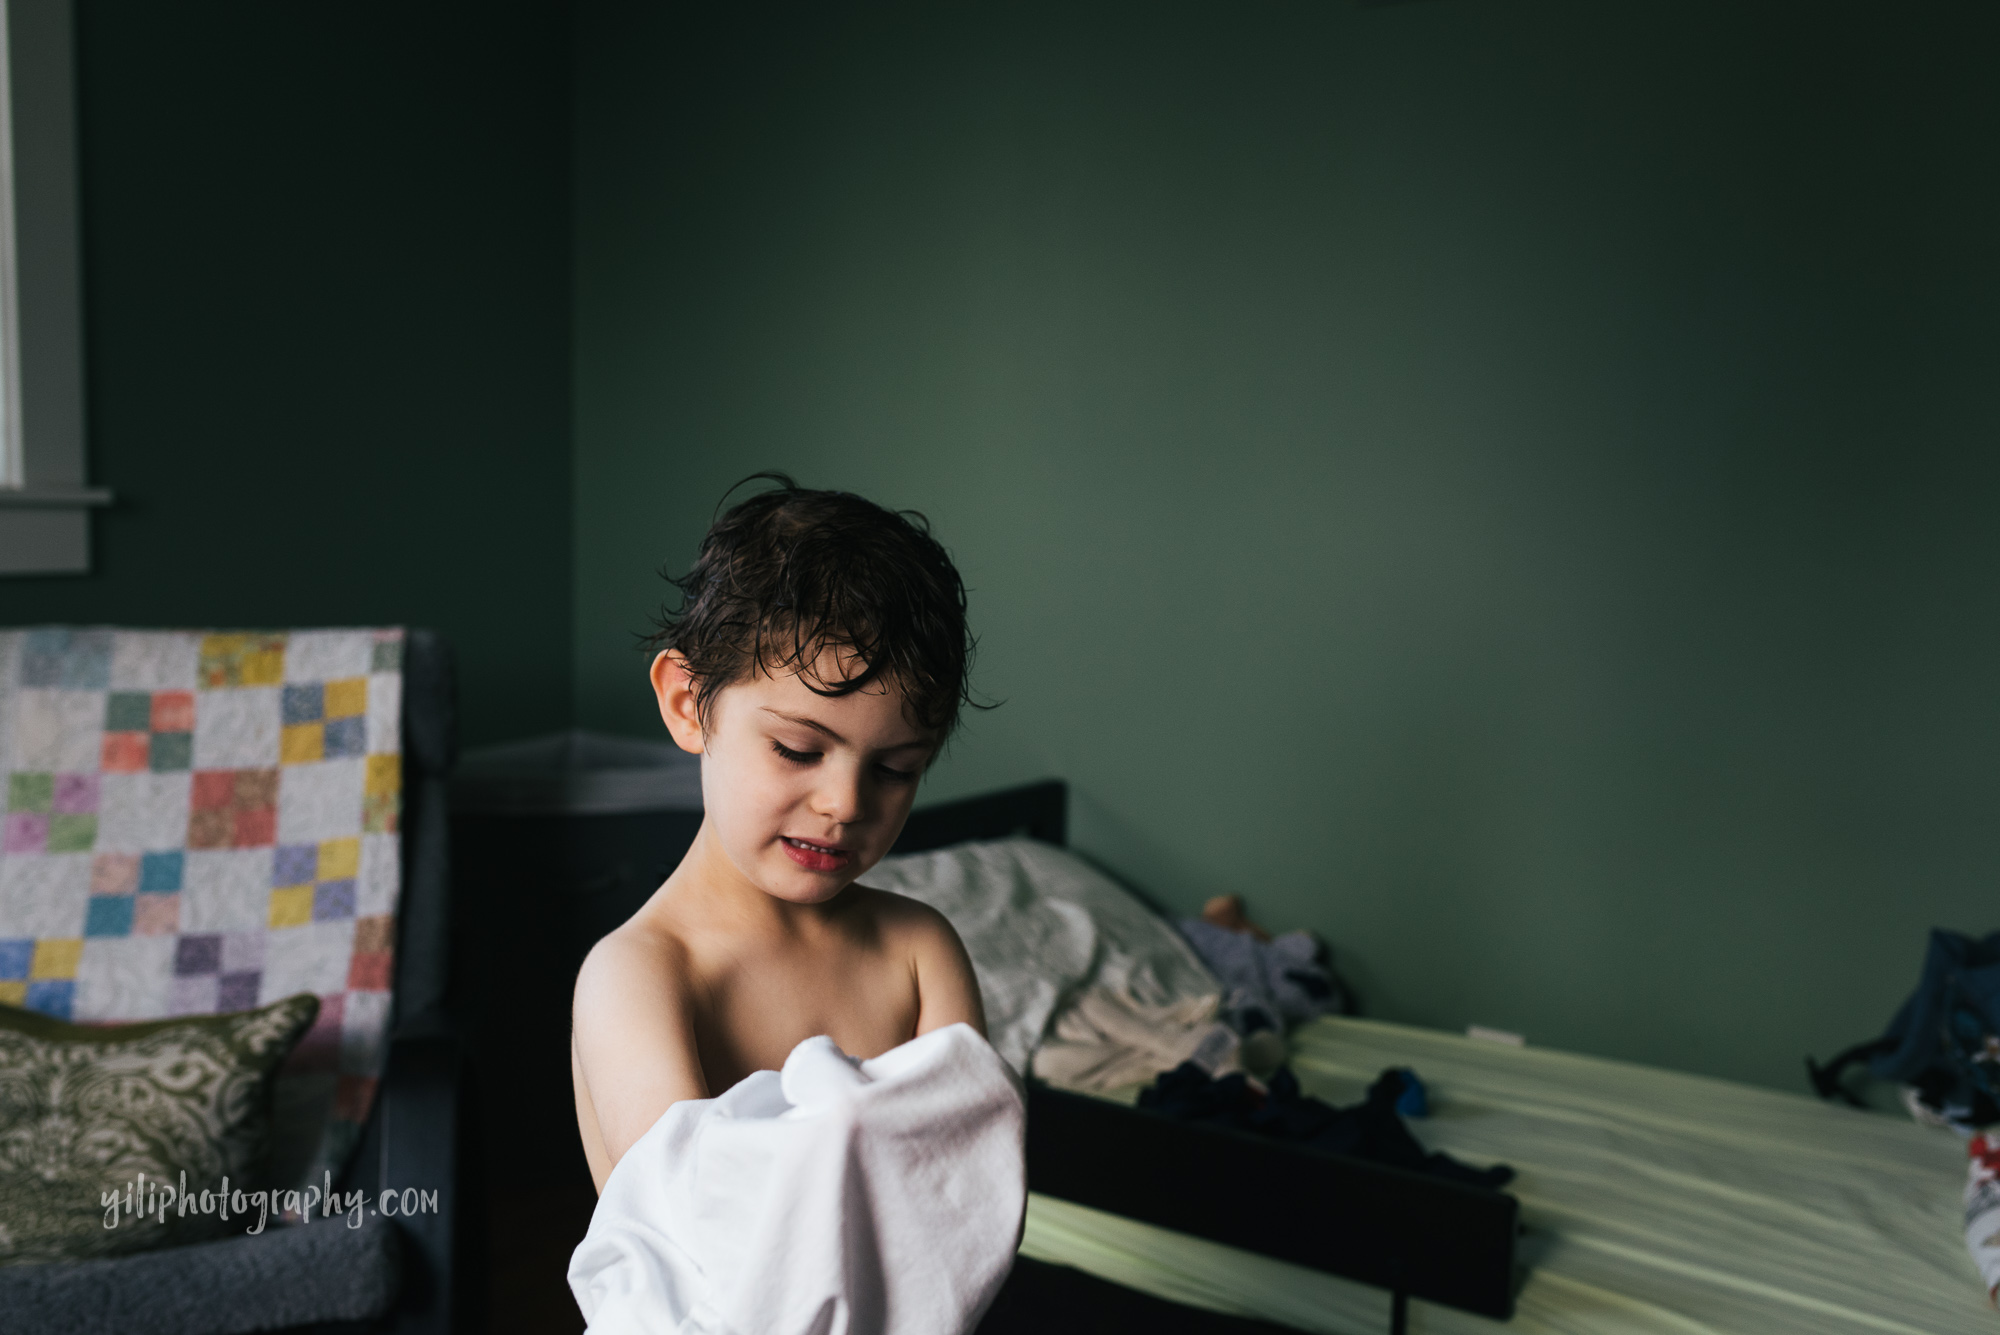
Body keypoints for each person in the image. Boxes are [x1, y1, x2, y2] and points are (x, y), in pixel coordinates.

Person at [570, 475, 989, 1193]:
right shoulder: (641, 974)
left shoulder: (920, 952)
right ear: (686, 702)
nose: (845, 802)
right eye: (798, 749)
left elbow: (972, 1192)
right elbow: (702, 1228)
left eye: (894, 769)